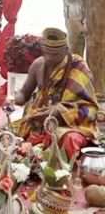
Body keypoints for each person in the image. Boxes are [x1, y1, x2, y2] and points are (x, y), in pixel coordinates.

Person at [11, 27, 99, 159]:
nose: (49, 58)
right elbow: (24, 94)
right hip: (40, 122)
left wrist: (60, 111)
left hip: (72, 126)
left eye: (55, 54)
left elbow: (91, 110)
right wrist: (12, 99)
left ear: (66, 50)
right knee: (9, 137)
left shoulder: (79, 68)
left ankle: (60, 173)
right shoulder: (38, 65)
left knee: (68, 139)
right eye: (46, 53)